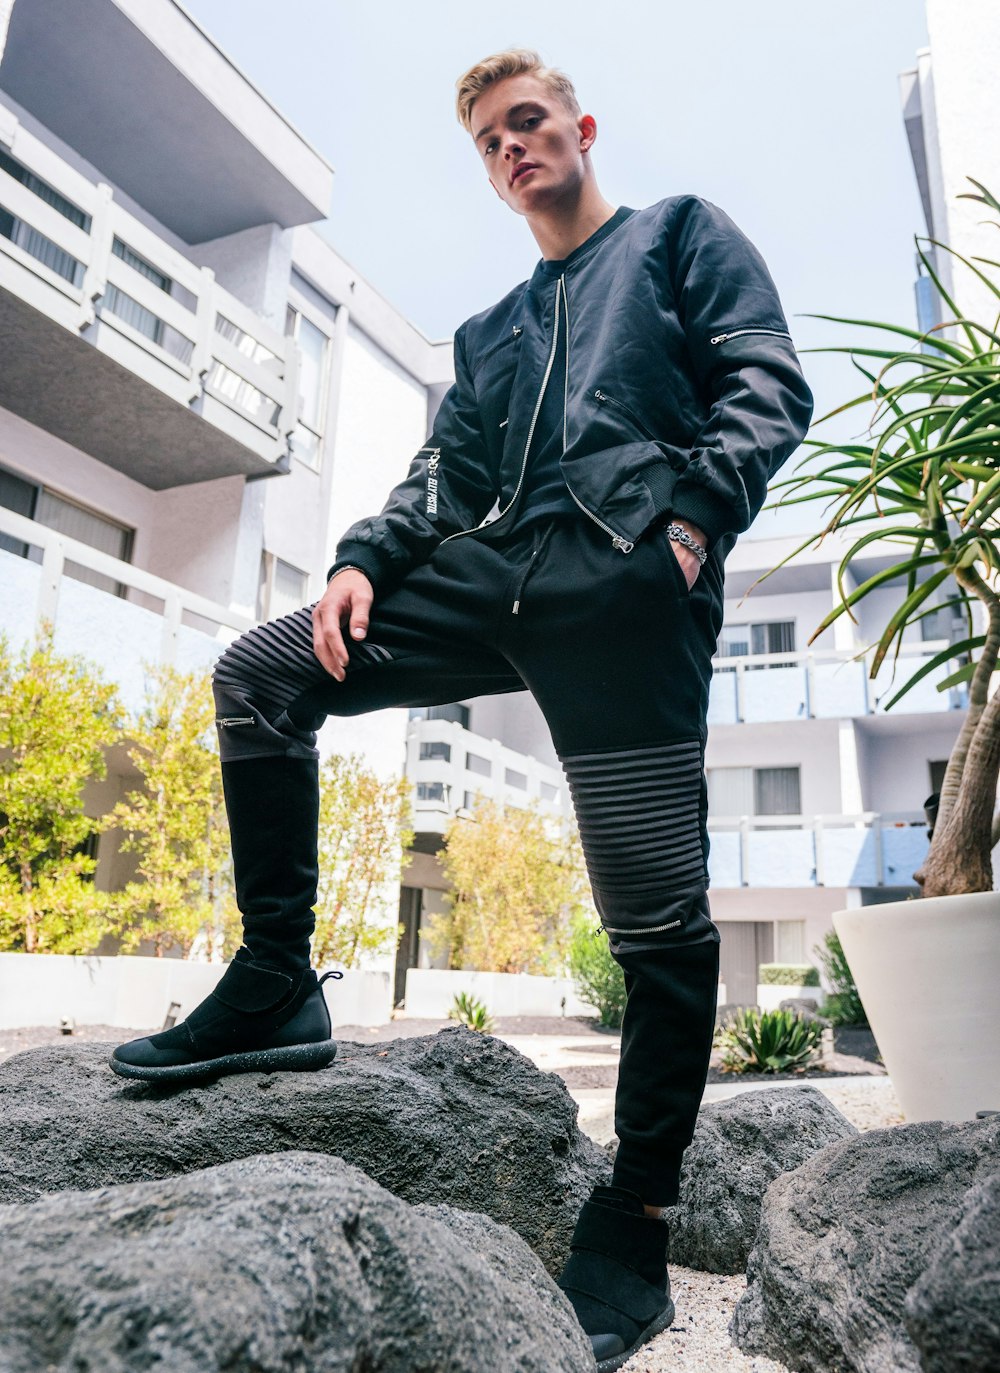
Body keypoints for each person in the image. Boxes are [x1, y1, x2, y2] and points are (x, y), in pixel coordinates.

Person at [111, 48, 813, 1370]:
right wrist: (365, 556)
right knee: (261, 673)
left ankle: (638, 1213)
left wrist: (689, 521)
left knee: (657, 920)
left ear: (581, 125)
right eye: (491, 141)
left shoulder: (676, 239)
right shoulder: (493, 331)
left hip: (623, 581)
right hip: (494, 574)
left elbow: (768, 376)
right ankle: (275, 982)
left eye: (529, 123)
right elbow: (445, 475)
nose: (513, 151)